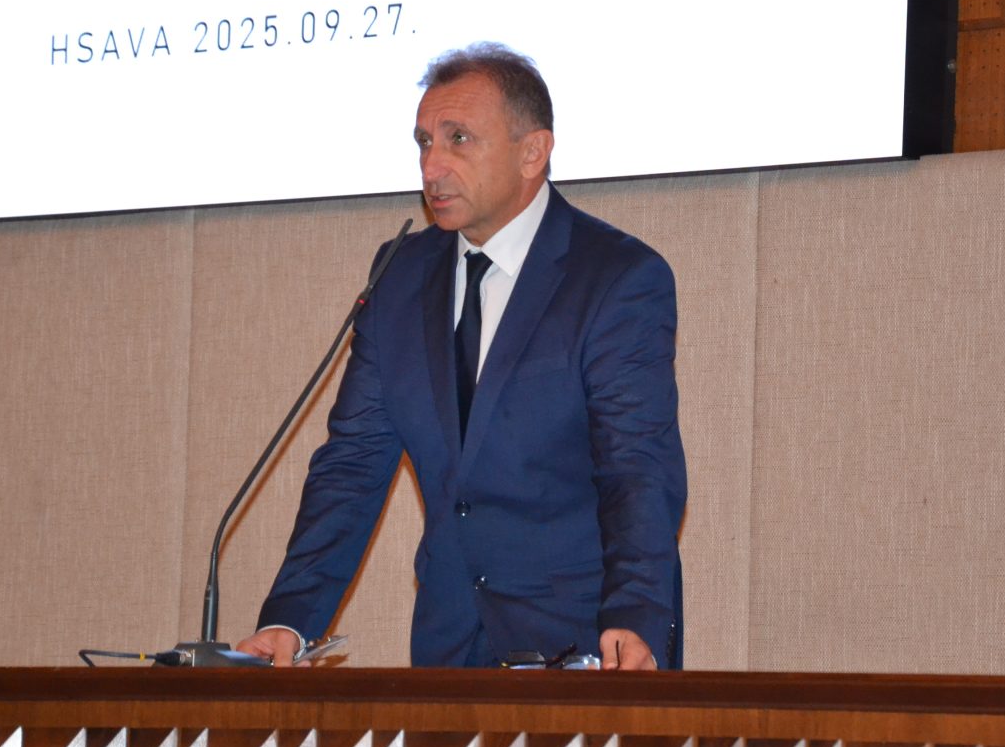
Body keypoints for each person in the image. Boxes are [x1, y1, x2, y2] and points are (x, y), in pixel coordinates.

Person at [237, 43, 686, 670]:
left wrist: (636, 616)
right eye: (424, 143)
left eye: (458, 140)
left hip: (586, 646)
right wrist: (290, 619)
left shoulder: (614, 277)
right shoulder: (399, 276)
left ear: (533, 152)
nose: (432, 166)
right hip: (449, 646)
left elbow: (637, 469)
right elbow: (353, 463)